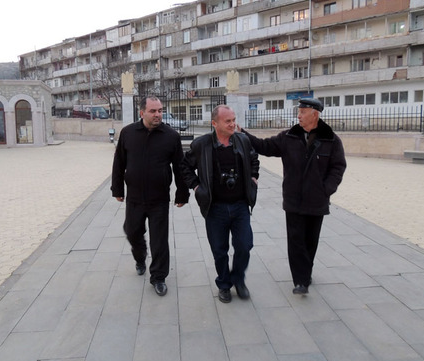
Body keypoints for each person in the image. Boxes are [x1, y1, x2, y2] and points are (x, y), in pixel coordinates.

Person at [241, 98, 346, 295]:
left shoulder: (331, 140)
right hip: (293, 199)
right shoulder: (289, 136)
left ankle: (306, 271)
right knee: (296, 240)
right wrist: (243, 134)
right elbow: (264, 146)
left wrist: (326, 189)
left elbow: (338, 167)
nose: (299, 115)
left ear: (315, 114)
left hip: (317, 200)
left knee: (310, 240)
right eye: (299, 111)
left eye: (303, 112)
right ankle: (300, 281)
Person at [111, 97, 189, 296]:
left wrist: (182, 192)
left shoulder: (171, 136)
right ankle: (140, 257)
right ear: (142, 113)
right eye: (153, 111)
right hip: (134, 197)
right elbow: (119, 162)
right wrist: (117, 189)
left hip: (159, 198)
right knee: (132, 231)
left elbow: (180, 167)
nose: (158, 115)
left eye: (160, 111)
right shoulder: (128, 133)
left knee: (159, 240)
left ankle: (159, 277)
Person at [181, 105, 259, 303]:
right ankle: (224, 285)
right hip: (215, 207)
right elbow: (184, 166)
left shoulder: (243, 140)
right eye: (228, 121)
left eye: (233, 120)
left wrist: (253, 178)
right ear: (214, 123)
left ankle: (238, 280)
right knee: (219, 249)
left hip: (240, 205)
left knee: (244, 245)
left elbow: (254, 159)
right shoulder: (201, 145)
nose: (233, 124)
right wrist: (196, 187)